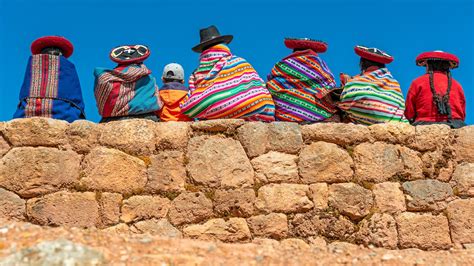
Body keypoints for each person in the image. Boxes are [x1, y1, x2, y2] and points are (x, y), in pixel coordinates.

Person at [180, 25, 275, 121]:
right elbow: (259, 87)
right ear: (223, 46)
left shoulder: (196, 73)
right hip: (252, 107)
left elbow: (191, 99)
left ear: (203, 51)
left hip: (213, 113)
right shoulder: (239, 62)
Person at [13, 36, 86, 122]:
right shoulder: (68, 69)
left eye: (56, 54)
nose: (51, 57)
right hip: (65, 115)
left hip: (25, 116)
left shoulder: (67, 69)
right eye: (47, 53)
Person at [266, 38, 339, 123]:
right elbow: (331, 85)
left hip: (285, 116)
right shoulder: (320, 66)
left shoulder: (283, 65)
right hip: (317, 115)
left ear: (294, 51)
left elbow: (271, 81)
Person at [338, 45, 407, 125]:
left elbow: (345, 103)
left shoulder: (355, 83)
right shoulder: (394, 83)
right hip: (396, 125)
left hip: (366, 127)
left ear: (362, 63)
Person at [94, 44, 162, 122]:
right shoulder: (148, 77)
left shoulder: (105, 77)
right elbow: (156, 100)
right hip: (146, 118)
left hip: (110, 120)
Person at [405, 51, 466, 128]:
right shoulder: (457, 85)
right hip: (456, 125)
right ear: (447, 67)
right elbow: (462, 113)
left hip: (424, 125)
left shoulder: (417, 82)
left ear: (428, 65)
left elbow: (409, 113)